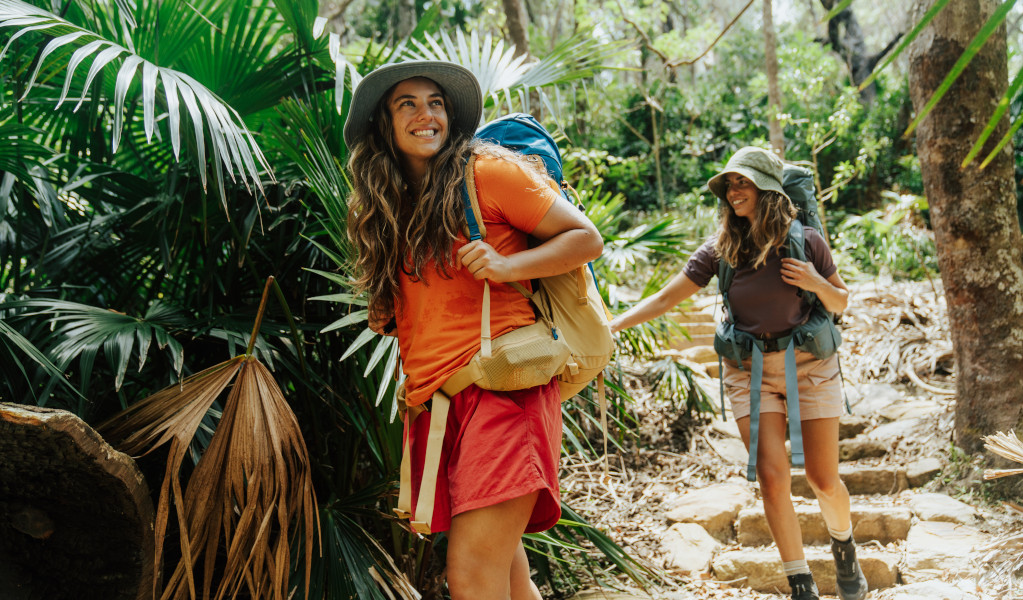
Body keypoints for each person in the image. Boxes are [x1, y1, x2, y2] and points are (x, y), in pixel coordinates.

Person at [343, 60, 602, 600]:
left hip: (504, 393)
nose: (425, 114)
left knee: (469, 577)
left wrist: (509, 268)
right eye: (407, 104)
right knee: (509, 577)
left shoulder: (486, 171)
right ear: (383, 126)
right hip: (440, 405)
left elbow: (585, 238)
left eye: (435, 102)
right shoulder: (391, 206)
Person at [609, 147, 867, 600]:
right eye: (729, 184)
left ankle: (843, 545)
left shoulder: (806, 240)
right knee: (771, 476)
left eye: (741, 182)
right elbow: (668, 298)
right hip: (748, 370)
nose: (732, 191)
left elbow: (841, 301)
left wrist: (815, 282)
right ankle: (800, 584)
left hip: (811, 365)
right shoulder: (721, 248)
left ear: (767, 189)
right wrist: (612, 324)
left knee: (823, 480)